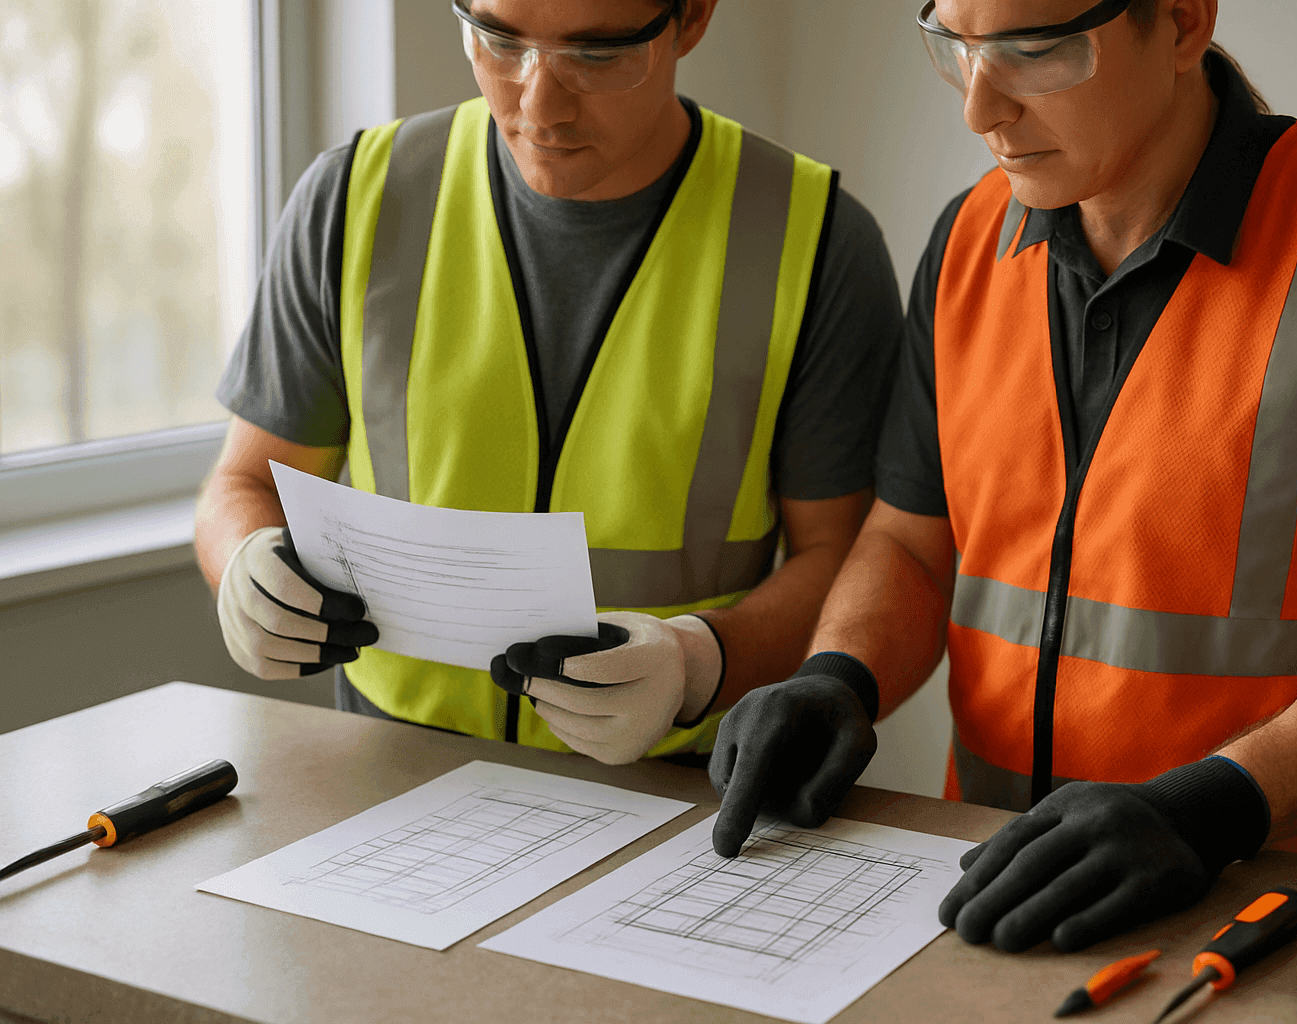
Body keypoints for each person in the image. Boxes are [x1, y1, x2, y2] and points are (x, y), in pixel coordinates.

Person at [706, 0, 1297, 953]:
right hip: (989, 891)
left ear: (1182, 23)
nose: (980, 108)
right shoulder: (970, 239)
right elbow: (910, 541)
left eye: (1034, 48)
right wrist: (838, 676)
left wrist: (1202, 811)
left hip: (1273, 915)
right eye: (956, 45)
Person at [195, 0, 902, 767]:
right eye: (498, 39)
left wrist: (703, 660)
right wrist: (243, 563)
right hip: (388, 770)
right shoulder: (354, 198)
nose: (538, 103)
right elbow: (242, 483)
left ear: (692, 17)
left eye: (597, 56)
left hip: (674, 791)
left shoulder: (817, 240)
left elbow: (844, 559)